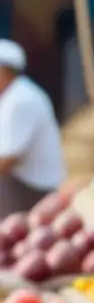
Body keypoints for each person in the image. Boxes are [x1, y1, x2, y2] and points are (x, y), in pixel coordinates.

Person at [0, 40, 65, 216]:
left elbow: (6, 160)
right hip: (21, 182)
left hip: (33, 189)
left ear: (4, 71)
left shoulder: (21, 100)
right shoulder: (11, 95)